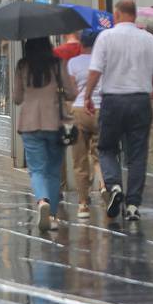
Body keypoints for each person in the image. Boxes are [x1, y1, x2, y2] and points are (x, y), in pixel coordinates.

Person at [79, 0, 153, 223]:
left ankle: (115, 185)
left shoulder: (106, 37)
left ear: (117, 15)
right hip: (140, 101)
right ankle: (133, 205)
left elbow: (95, 71)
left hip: (113, 101)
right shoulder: (149, 39)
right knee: (137, 155)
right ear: (134, 16)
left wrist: (88, 95)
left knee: (107, 147)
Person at [13, 37, 75, 233]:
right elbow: (72, 93)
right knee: (53, 170)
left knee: (37, 169)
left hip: (30, 123)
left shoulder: (22, 66)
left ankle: (42, 201)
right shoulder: (57, 65)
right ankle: (53, 216)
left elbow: (16, 98)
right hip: (54, 122)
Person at [64, 28, 101, 219]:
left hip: (79, 110)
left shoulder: (73, 63)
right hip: (100, 110)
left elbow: (72, 91)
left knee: (79, 160)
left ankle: (83, 204)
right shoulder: (102, 62)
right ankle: (104, 187)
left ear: (81, 44)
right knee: (100, 154)